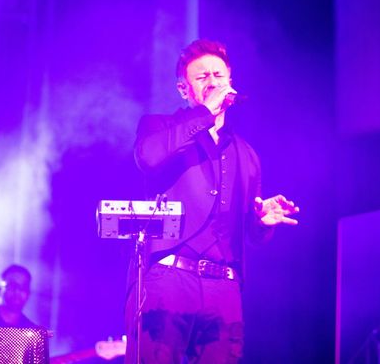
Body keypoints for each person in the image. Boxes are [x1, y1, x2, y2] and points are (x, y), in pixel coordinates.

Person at [125, 39, 299, 364]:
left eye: (219, 75)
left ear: (230, 81)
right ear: (183, 89)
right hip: (170, 277)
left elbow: (249, 234)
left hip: (224, 287)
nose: (213, 81)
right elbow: (147, 157)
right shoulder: (160, 127)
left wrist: (261, 221)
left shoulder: (246, 153)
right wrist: (205, 113)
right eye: (202, 76)